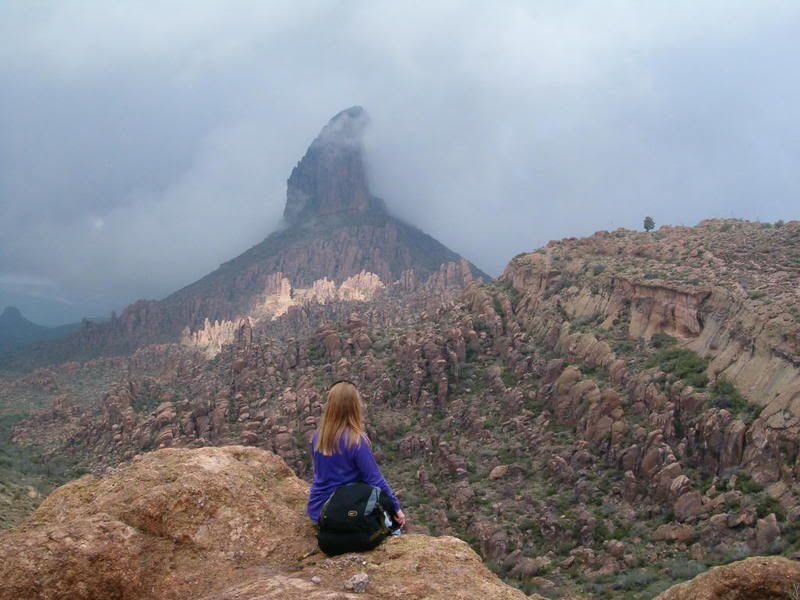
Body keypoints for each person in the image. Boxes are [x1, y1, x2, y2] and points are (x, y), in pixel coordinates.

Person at [307, 380, 406, 531]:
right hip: (344, 513)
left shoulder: (317, 437)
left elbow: (319, 474)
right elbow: (375, 479)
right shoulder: (356, 440)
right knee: (394, 528)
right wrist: (396, 508)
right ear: (354, 406)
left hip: (317, 512)